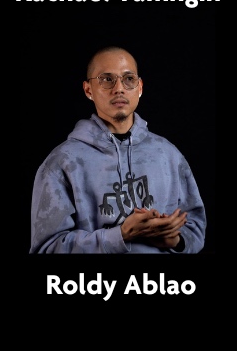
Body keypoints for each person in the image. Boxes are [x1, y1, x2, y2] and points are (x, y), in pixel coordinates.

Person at [30, 46, 206, 253]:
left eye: (128, 79)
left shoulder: (168, 154)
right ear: (88, 90)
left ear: (139, 87)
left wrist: (176, 241)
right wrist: (120, 236)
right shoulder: (62, 162)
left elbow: (195, 229)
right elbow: (47, 248)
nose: (119, 89)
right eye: (106, 79)